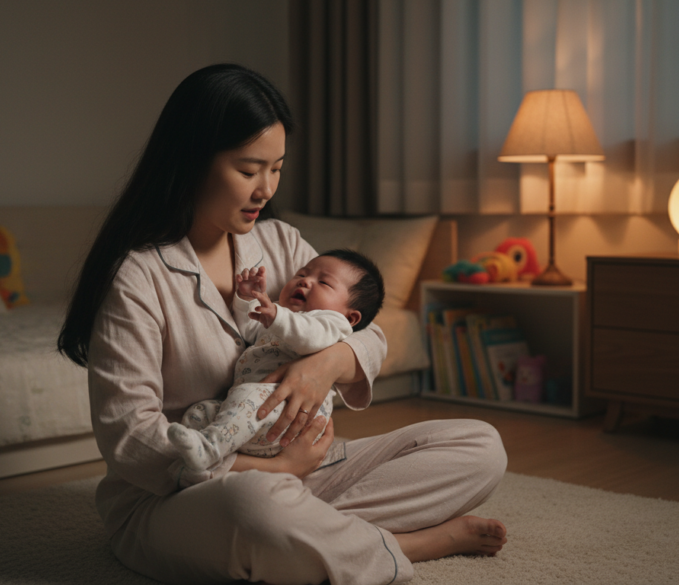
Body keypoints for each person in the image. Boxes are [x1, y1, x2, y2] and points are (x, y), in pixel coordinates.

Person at [58, 63, 508, 585]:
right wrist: (277, 471)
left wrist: (325, 367)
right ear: (191, 160)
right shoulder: (138, 277)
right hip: (182, 497)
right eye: (249, 170)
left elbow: (366, 334)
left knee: (479, 445)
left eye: (277, 168)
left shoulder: (281, 243)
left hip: (304, 470)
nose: (266, 188)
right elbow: (131, 441)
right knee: (258, 507)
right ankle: (407, 545)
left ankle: (312, 533)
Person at [167, 249, 385, 472]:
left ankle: (209, 450)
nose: (306, 281)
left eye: (324, 283)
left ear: (351, 317)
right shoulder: (281, 316)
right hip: (252, 412)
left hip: (289, 413)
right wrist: (247, 300)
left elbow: (308, 337)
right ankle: (193, 453)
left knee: (246, 398)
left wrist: (277, 316)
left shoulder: (332, 324)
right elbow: (249, 329)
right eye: (301, 274)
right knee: (201, 411)